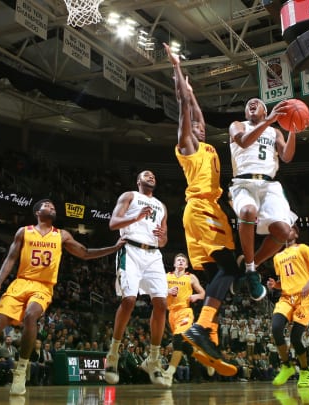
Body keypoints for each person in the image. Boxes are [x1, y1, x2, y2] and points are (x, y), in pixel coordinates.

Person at [0, 199, 125, 395]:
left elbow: (84, 253)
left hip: (43, 287)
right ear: (37, 212)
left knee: (30, 315)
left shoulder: (61, 235)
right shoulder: (23, 232)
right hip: (20, 283)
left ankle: (20, 371)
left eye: (53, 206)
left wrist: (113, 248)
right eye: (47, 206)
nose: (52, 207)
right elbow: (10, 258)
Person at [164, 42, 242, 376]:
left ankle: (202, 340)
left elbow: (194, 105)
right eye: (194, 125)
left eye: (199, 124)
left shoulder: (206, 141)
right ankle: (203, 327)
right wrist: (177, 70)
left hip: (205, 213)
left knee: (215, 280)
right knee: (231, 268)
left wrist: (190, 88)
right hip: (201, 211)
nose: (198, 125)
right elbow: (185, 106)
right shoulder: (186, 145)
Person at [228, 97, 298, 300]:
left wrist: (294, 129)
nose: (252, 103)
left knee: (284, 231)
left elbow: (286, 157)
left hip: (269, 185)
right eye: (248, 103)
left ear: (265, 111)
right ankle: (250, 271)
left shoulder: (275, 132)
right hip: (243, 183)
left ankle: (250, 265)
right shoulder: (237, 125)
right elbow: (243, 141)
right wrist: (269, 120)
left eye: (257, 102)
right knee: (247, 211)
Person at [104, 170, 169, 387]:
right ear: (138, 181)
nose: (151, 176)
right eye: (146, 175)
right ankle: (113, 354)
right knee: (129, 300)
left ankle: (153, 359)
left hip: (153, 255)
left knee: (161, 304)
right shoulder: (129, 196)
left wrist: (163, 237)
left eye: (153, 175)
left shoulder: (162, 206)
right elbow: (113, 223)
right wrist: (136, 217)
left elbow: (164, 239)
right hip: (130, 250)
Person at [267, 225, 309, 388]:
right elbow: (286, 281)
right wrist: (276, 285)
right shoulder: (277, 257)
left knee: (295, 338)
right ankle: (287, 366)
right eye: (284, 229)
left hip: (304, 298)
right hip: (286, 298)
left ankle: (306, 370)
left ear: (296, 234)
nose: (287, 231)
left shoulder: (303, 248)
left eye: (291, 229)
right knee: (276, 328)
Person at [164, 253, 206, 385]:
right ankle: (201, 368)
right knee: (186, 346)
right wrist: (168, 291)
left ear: (186, 265)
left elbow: (203, 293)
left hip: (185, 311)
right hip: (172, 314)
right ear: (175, 264)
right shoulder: (166, 276)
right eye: (178, 260)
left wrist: (196, 297)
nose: (181, 262)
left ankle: (169, 373)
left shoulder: (191, 277)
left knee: (177, 340)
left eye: (183, 260)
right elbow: (157, 291)